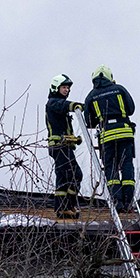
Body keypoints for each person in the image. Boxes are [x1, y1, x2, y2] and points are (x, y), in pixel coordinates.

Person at [83, 65, 136, 210]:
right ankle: (128, 200)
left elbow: (89, 121)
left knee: (110, 168)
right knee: (126, 165)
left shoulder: (91, 96)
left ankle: (117, 200)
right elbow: (131, 109)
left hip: (107, 136)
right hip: (125, 133)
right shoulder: (120, 89)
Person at [45, 74, 84, 219]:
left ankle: (62, 209)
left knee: (62, 178)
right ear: (56, 88)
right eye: (64, 87)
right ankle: (69, 205)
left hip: (63, 146)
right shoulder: (53, 103)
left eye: (67, 88)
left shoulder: (58, 105)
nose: (66, 90)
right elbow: (64, 105)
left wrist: (73, 139)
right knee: (75, 175)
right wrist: (77, 106)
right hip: (59, 146)